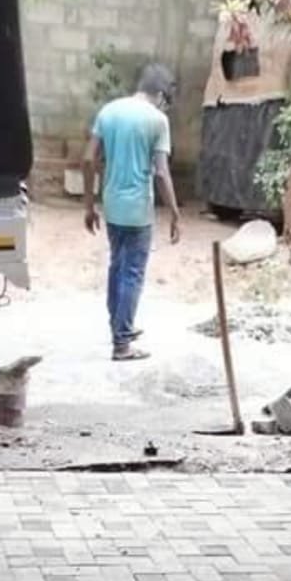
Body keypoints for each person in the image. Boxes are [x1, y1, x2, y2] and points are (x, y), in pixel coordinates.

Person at [83, 64, 181, 363]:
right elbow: (161, 173)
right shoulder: (158, 121)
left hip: (112, 205)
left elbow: (88, 159)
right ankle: (122, 342)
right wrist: (175, 212)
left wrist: (89, 205)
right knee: (133, 273)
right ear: (161, 94)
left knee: (117, 265)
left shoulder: (109, 111)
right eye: (166, 99)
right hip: (138, 209)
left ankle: (119, 326)